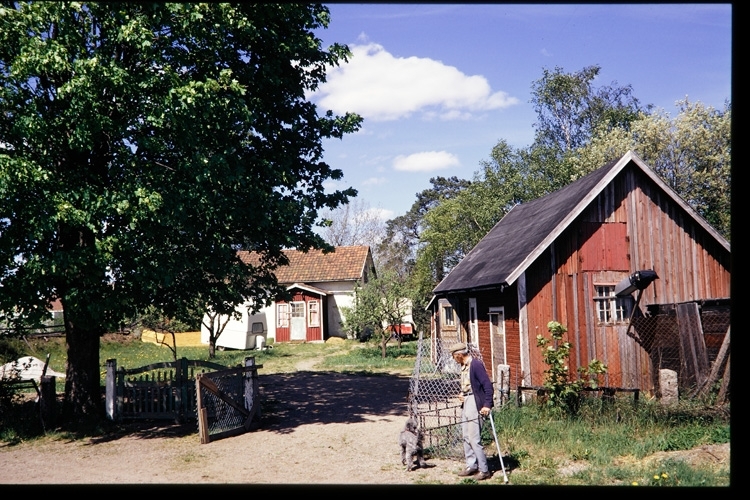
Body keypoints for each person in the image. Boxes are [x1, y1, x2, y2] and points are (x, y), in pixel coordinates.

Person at [450, 342, 493, 480]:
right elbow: (469, 386)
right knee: (466, 437)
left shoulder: (475, 365)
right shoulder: (464, 366)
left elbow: (487, 386)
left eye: (454, 356)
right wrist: (462, 394)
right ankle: (471, 465)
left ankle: (484, 470)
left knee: (474, 439)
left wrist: (487, 404)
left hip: (476, 403)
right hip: (467, 402)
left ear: (459, 355)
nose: (454, 359)